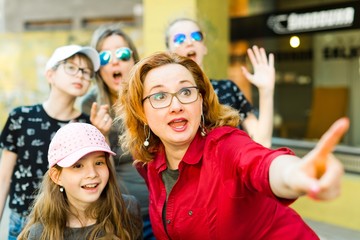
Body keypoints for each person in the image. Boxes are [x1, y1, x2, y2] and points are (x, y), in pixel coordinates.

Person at [115, 52, 349, 239]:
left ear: (201, 101)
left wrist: (297, 173)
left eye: (186, 91)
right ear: (141, 111)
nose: (175, 105)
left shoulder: (226, 146)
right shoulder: (149, 163)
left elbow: (264, 164)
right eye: (159, 96)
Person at [0, 44, 100, 239]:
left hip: (69, 224)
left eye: (87, 72)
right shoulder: (20, 117)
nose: (80, 75)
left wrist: (101, 133)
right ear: (50, 74)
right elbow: (3, 178)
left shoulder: (87, 125)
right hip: (22, 221)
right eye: (71, 67)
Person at [80, 23, 155, 239]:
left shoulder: (153, 95)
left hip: (164, 210)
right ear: (98, 68)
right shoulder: (91, 105)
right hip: (120, 215)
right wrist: (100, 136)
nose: (114, 61)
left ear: (134, 60)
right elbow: (98, 173)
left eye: (122, 53)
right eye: (105, 57)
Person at [17, 122, 143, 239]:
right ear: (57, 176)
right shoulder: (40, 233)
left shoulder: (128, 209)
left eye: (99, 163)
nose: (92, 174)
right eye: (78, 166)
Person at [165, 18, 274, 148]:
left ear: (204, 47)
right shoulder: (167, 99)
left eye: (196, 36)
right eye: (179, 39)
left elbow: (262, 142)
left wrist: (266, 91)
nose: (189, 42)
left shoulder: (228, 88)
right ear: (169, 53)